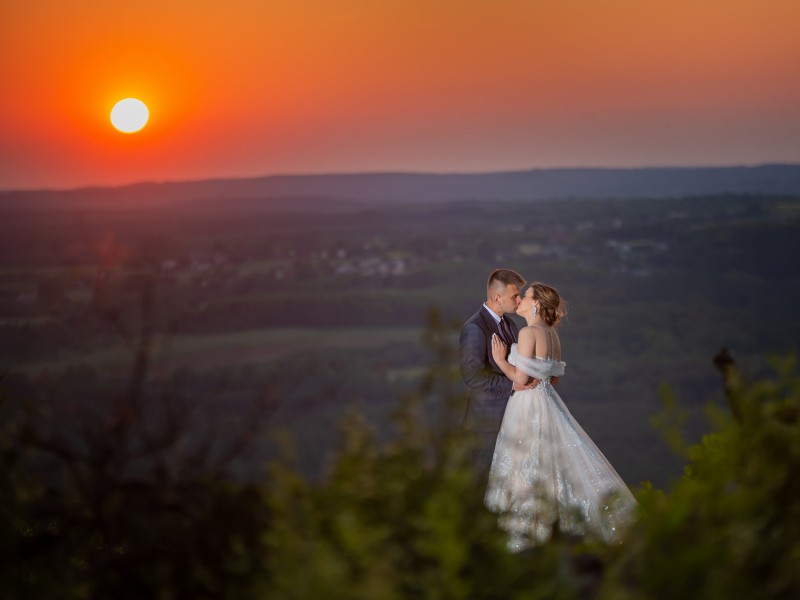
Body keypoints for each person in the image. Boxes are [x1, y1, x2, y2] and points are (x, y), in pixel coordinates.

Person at [484, 282, 636, 550]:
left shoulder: (530, 332)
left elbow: (520, 379)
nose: (519, 300)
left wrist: (500, 361)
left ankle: (527, 533)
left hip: (527, 405)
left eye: (526, 296)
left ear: (537, 304)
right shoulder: (552, 334)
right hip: (548, 401)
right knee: (555, 459)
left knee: (527, 462)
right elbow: (552, 378)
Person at [459, 268, 537, 478]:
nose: (519, 300)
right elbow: (472, 376)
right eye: (514, 296)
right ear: (497, 298)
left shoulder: (509, 324)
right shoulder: (474, 328)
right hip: (486, 424)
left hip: (512, 418)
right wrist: (513, 384)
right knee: (481, 483)